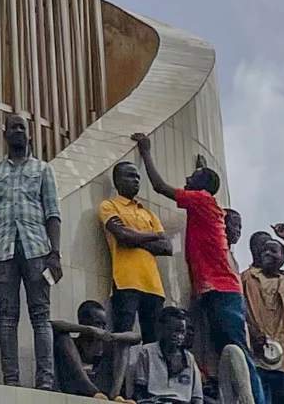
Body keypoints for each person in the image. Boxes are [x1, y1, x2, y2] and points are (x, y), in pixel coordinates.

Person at [130, 135, 250, 375]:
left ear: (202, 188)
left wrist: (145, 152)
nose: (186, 179)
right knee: (220, 349)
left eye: (192, 178)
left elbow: (159, 187)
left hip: (221, 289)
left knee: (237, 350)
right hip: (214, 290)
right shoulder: (205, 202)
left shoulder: (202, 200)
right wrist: (200, 171)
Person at [0, 113, 61, 389]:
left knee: (40, 316)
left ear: (29, 135)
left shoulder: (43, 169)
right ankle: (11, 382)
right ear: (4, 135)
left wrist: (55, 254)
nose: (17, 131)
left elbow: (53, 214)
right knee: (7, 318)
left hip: (37, 250)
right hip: (3, 252)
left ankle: (45, 383)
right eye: (12, 127)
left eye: (21, 127)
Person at [100, 159, 172, 343]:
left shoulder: (148, 213)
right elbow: (122, 236)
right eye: (130, 176)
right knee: (123, 337)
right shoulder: (109, 206)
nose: (136, 180)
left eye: (138, 177)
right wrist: (152, 235)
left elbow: (167, 247)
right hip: (126, 282)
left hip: (154, 285)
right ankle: (122, 373)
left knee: (154, 341)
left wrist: (134, 238)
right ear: (117, 181)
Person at [241, 227, 284, 404]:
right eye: (264, 250)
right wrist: (252, 331)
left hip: (283, 361)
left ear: (282, 258)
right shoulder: (246, 278)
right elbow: (241, 308)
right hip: (256, 356)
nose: (267, 253)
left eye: (273, 250)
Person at [51, 300, 138, 400]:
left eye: (104, 324)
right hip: (77, 389)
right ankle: (93, 392)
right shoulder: (73, 343)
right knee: (62, 338)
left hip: (104, 391)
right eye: (97, 323)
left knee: (122, 343)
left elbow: (136, 338)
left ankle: (116, 395)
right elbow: (52, 325)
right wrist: (89, 330)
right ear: (83, 322)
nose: (101, 328)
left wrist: (112, 336)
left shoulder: (106, 345)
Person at [122, 307, 201, 404]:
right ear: (161, 329)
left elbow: (197, 397)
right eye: (171, 330)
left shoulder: (189, 358)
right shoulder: (147, 352)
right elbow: (139, 391)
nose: (177, 335)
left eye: (181, 331)